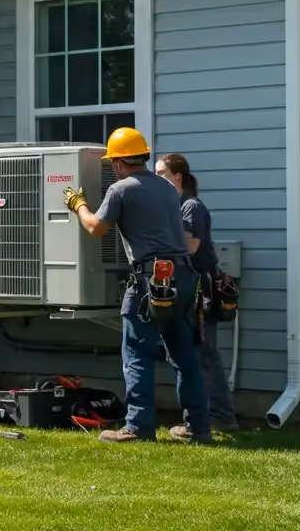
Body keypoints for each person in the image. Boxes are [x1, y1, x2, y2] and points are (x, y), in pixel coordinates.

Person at [62, 128, 211, 444]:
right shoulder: (169, 190)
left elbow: (95, 228)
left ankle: (138, 427)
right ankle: (197, 428)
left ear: (117, 162)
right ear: (142, 155)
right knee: (185, 357)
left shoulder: (120, 190)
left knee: (137, 354)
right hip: (183, 278)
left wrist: (77, 204)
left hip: (150, 279)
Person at [156, 153, 239, 433]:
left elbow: (190, 246)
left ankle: (218, 417)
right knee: (188, 354)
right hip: (185, 288)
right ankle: (198, 418)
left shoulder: (191, 207)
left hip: (200, 290)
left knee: (202, 354)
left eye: (160, 174)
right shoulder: (174, 206)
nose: (155, 180)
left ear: (176, 177)